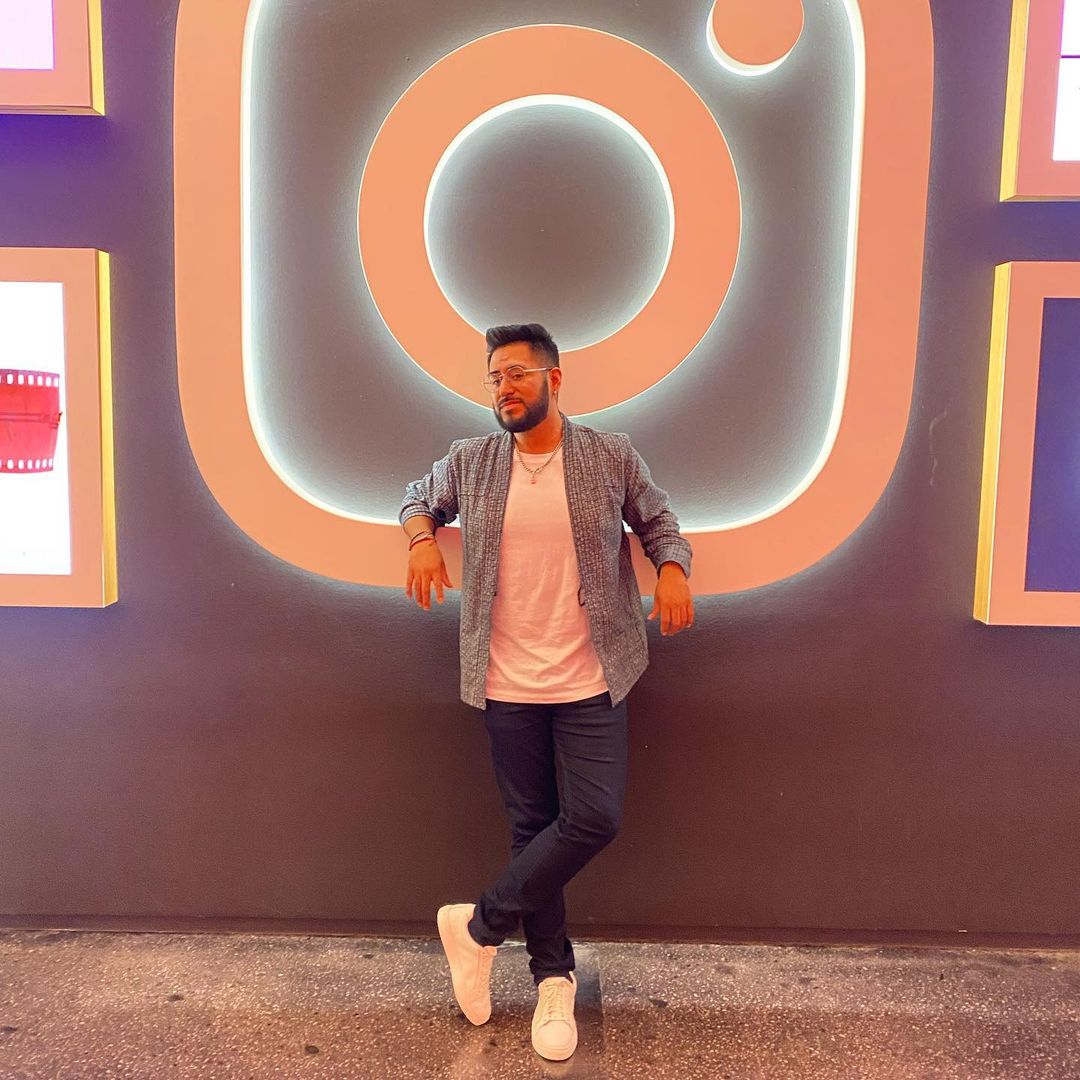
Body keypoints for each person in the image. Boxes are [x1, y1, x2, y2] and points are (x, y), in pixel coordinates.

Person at [399, 323, 693, 1062]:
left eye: (518, 374)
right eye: (495, 376)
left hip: (592, 674)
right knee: (532, 830)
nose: (504, 387)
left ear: (554, 380)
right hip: (506, 679)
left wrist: (672, 568)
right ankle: (552, 980)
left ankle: (476, 929)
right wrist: (421, 537)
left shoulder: (607, 454)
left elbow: (659, 520)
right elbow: (416, 498)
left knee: (594, 817)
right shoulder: (472, 461)